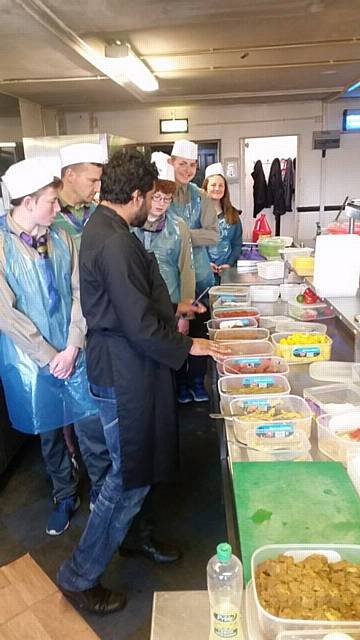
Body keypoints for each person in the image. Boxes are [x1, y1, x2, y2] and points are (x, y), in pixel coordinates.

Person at [57, 149, 228, 615]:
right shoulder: (112, 240)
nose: (152, 204)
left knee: (129, 471)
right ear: (134, 195)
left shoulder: (112, 228)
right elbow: (134, 321)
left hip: (126, 365)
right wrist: (187, 346)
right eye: (148, 196)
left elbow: (135, 295)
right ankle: (79, 574)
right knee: (126, 479)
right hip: (121, 372)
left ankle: (131, 537)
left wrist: (176, 308)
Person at [0, 157, 100, 537]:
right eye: (50, 202)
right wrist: (48, 356)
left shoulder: (61, 237)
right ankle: (64, 494)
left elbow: (80, 293)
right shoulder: (3, 247)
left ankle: (103, 491)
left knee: (90, 422)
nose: (58, 209)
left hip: (73, 350)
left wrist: (73, 346)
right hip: (31, 360)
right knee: (50, 431)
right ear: (27, 202)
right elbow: (6, 314)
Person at [167, 139, 219, 404]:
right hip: (168, 281)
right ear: (171, 163)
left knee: (198, 333)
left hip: (199, 279)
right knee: (174, 336)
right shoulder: (161, 193)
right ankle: (179, 383)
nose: (186, 170)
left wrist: (182, 236)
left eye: (191, 165)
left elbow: (214, 235)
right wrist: (185, 237)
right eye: (181, 164)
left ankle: (198, 383)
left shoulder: (201, 196)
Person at [133, 151, 195, 334]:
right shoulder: (129, 225)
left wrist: (186, 315)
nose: (161, 204)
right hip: (136, 307)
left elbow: (187, 271)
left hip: (171, 305)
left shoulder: (179, 226)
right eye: (156, 197)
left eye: (167, 199)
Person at [55, 143, 106, 250]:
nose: (97, 188)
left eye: (99, 181)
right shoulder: (50, 215)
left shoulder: (97, 212)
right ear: (70, 175)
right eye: (92, 181)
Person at [202, 162, 243, 283]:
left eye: (221, 185)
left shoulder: (233, 215)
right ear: (205, 188)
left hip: (228, 273)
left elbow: (237, 244)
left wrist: (229, 264)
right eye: (213, 185)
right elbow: (194, 245)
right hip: (203, 273)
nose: (217, 188)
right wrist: (206, 263)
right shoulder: (197, 215)